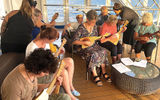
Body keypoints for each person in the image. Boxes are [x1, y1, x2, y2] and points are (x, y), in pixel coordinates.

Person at [26, 27, 80, 100]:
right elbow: (37, 68)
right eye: (54, 40)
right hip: (39, 73)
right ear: (47, 38)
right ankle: (70, 95)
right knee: (63, 71)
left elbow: (49, 57)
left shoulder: (45, 43)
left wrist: (57, 53)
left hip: (47, 66)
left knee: (70, 61)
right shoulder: (32, 48)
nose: (53, 42)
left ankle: (71, 87)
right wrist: (54, 66)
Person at [1, 48, 71, 100]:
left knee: (65, 97)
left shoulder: (29, 71)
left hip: (36, 97)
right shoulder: (14, 86)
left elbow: (34, 87)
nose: (46, 74)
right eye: (44, 72)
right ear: (36, 68)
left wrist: (52, 84)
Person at [72, 10, 110, 87]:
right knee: (94, 53)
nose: (94, 24)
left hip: (94, 45)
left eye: (95, 22)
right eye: (92, 22)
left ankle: (103, 71)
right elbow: (74, 42)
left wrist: (100, 38)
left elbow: (95, 38)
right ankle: (94, 74)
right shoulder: (81, 28)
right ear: (87, 19)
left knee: (103, 51)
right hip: (84, 48)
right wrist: (84, 43)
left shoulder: (95, 26)